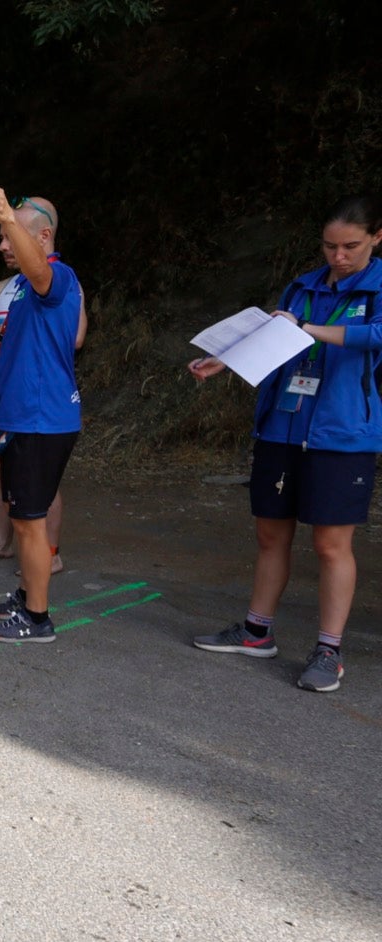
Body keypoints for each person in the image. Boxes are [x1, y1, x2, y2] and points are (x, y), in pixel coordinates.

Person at [188, 194, 382, 693]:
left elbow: (372, 336)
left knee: (330, 544)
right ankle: (256, 631)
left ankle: (329, 651)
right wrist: (223, 360)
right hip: (283, 425)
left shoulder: (379, 288)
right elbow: (277, 342)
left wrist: (308, 328)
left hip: (342, 434)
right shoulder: (303, 286)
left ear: (377, 238)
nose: (338, 257)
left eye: (350, 247)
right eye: (329, 246)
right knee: (271, 535)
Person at [0, 186, 84, 643]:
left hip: (42, 420)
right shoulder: (19, 288)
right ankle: (27, 596)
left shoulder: (57, 276)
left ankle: (37, 619)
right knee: (24, 518)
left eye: (11, 234)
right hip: (23, 418)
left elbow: (40, 272)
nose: (2, 244)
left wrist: (7, 216)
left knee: (30, 521)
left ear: (42, 238)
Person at [0, 259, 87, 571]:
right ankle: (2, 543)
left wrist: (24, 336)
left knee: (39, 471)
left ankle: (51, 553)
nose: (3, 247)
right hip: (1, 389)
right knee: (2, 467)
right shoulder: (3, 288)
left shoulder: (61, 283)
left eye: (10, 238)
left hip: (38, 392)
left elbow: (76, 339)